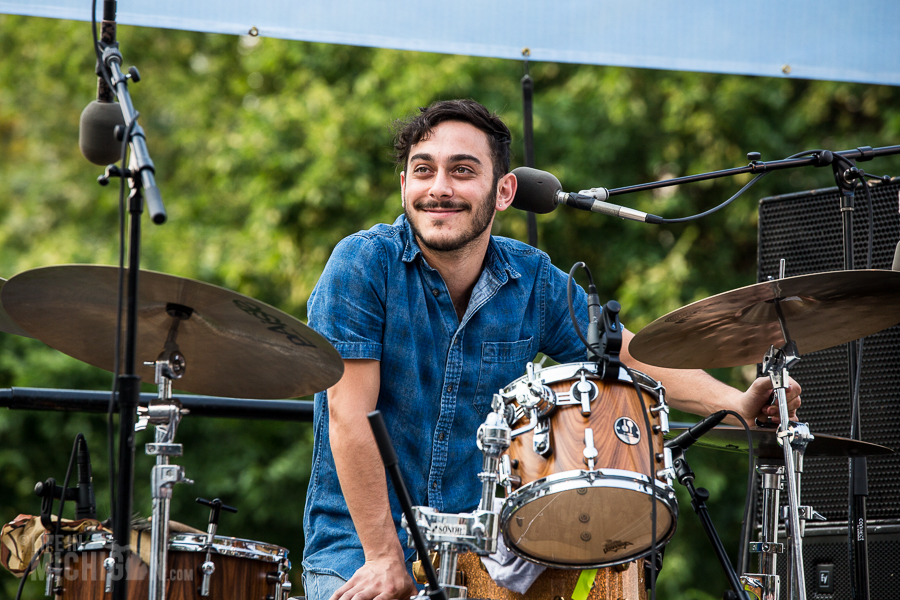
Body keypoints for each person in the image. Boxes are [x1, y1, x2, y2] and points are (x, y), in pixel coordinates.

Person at [301, 99, 800, 600]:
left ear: (504, 191)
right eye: (423, 170)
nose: (439, 188)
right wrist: (386, 558)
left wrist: (732, 404)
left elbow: (629, 356)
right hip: (361, 552)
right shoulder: (361, 265)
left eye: (462, 171)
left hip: (483, 560)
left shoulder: (532, 277)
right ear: (404, 184)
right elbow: (351, 416)